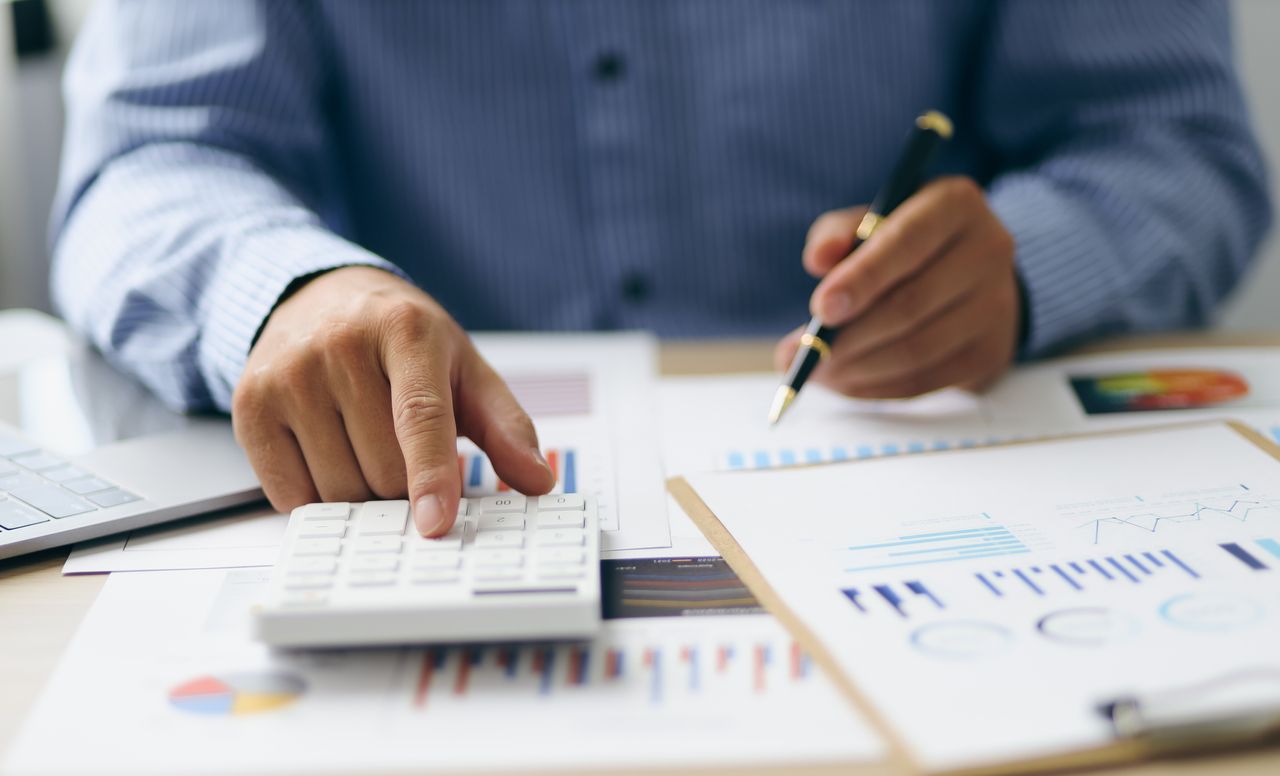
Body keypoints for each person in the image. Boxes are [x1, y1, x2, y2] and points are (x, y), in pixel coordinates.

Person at [51, 2, 1271, 536]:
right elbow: (147, 161)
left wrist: (1028, 265)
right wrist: (288, 288)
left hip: (929, 463)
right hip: (416, 494)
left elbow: (1176, 146)